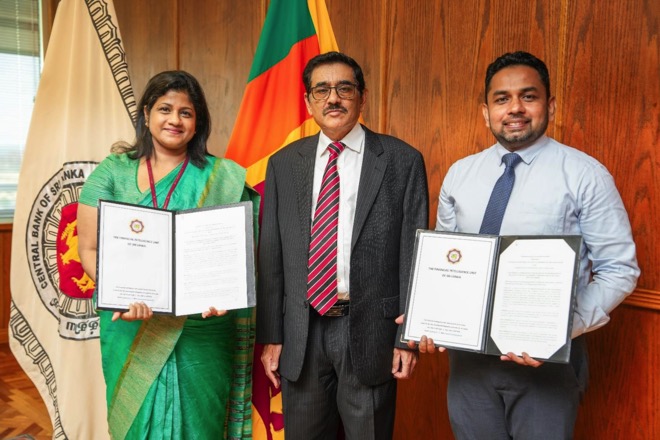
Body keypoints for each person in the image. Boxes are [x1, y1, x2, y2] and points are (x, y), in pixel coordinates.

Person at [406, 51, 640, 439]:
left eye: (528, 96)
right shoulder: (460, 175)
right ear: (486, 112)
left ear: (550, 105)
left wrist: (559, 331)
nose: (515, 108)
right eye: (502, 99)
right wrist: (426, 316)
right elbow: (449, 262)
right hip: (470, 366)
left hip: (546, 366)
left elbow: (619, 270)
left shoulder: (585, 175)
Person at [77, 70, 259, 439]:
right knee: (135, 424)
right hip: (133, 324)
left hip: (202, 330)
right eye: (165, 109)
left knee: (202, 423)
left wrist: (222, 294)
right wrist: (123, 293)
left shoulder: (222, 178)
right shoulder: (113, 172)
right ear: (146, 114)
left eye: (186, 112)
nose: (175, 120)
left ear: (198, 122)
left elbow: (237, 257)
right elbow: (89, 248)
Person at [256, 51, 429, 439]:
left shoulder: (402, 161)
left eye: (344, 88)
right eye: (322, 90)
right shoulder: (284, 163)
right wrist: (272, 336)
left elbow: (414, 255)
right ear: (308, 102)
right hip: (301, 333)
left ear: (362, 97)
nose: (333, 98)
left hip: (371, 333)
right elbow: (272, 256)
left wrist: (408, 338)